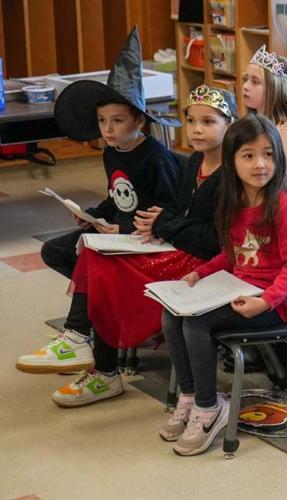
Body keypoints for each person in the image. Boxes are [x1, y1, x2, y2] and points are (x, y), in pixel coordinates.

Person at [15, 85, 237, 407]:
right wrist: (158, 221)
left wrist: (164, 224)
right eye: (191, 121)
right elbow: (176, 213)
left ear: (229, 125)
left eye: (209, 122)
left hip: (200, 263)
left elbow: (216, 242)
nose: (197, 129)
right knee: (96, 254)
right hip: (176, 248)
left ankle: (95, 358)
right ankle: (86, 346)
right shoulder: (195, 164)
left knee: (104, 265)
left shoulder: (230, 175)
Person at [158, 114, 287, 456]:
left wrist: (266, 301)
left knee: (197, 322)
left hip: (276, 303)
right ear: (232, 162)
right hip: (237, 287)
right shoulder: (234, 202)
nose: (260, 164)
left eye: (269, 155)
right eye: (249, 156)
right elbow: (232, 252)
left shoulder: (284, 205)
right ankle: (190, 395)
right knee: (172, 312)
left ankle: (210, 408)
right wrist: (201, 273)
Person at [39, 26, 180, 281]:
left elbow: (172, 210)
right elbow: (117, 198)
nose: (108, 129)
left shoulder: (156, 158)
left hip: (142, 236)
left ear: (139, 122)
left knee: (97, 259)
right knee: (54, 251)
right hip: (114, 229)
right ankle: (100, 292)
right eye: (102, 120)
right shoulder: (111, 151)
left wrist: (124, 229)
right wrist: (92, 215)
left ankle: (106, 292)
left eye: (117, 120)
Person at [242, 44, 287, 188]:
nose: (245, 86)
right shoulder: (247, 123)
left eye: (255, 81)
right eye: (246, 79)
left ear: (275, 89)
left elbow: (281, 181)